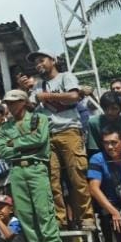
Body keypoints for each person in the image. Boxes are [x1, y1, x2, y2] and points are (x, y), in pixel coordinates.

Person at [27, 50, 95, 231]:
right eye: (36, 63)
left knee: (77, 176)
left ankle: (87, 217)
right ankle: (60, 220)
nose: (38, 65)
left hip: (69, 130)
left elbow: (74, 96)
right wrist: (24, 91)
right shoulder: (38, 85)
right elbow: (30, 106)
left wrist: (47, 97)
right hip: (48, 134)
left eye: (42, 60)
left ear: (53, 60)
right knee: (53, 180)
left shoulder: (66, 77)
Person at [0, 89, 63, 242]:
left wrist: (15, 143)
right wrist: (25, 142)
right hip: (17, 169)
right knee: (25, 214)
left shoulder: (38, 119)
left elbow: (40, 139)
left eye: (14, 102)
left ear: (24, 102)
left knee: (44, 211)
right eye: (8, 102)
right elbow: (3, 150)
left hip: (36, 167)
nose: (10, 106)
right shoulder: (5, 127)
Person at [86, 129, 121, 242]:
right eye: (106, 143)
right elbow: (94, 188)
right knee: (114, 221)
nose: (110, 147)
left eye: (114, 143)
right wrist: (113, 211)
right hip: (110, 203)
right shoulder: (97, 159)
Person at [86, 91, 121, 156]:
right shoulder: (94, 122)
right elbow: (94, 148)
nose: (109, 112)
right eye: (106, 108)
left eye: (114, 109)